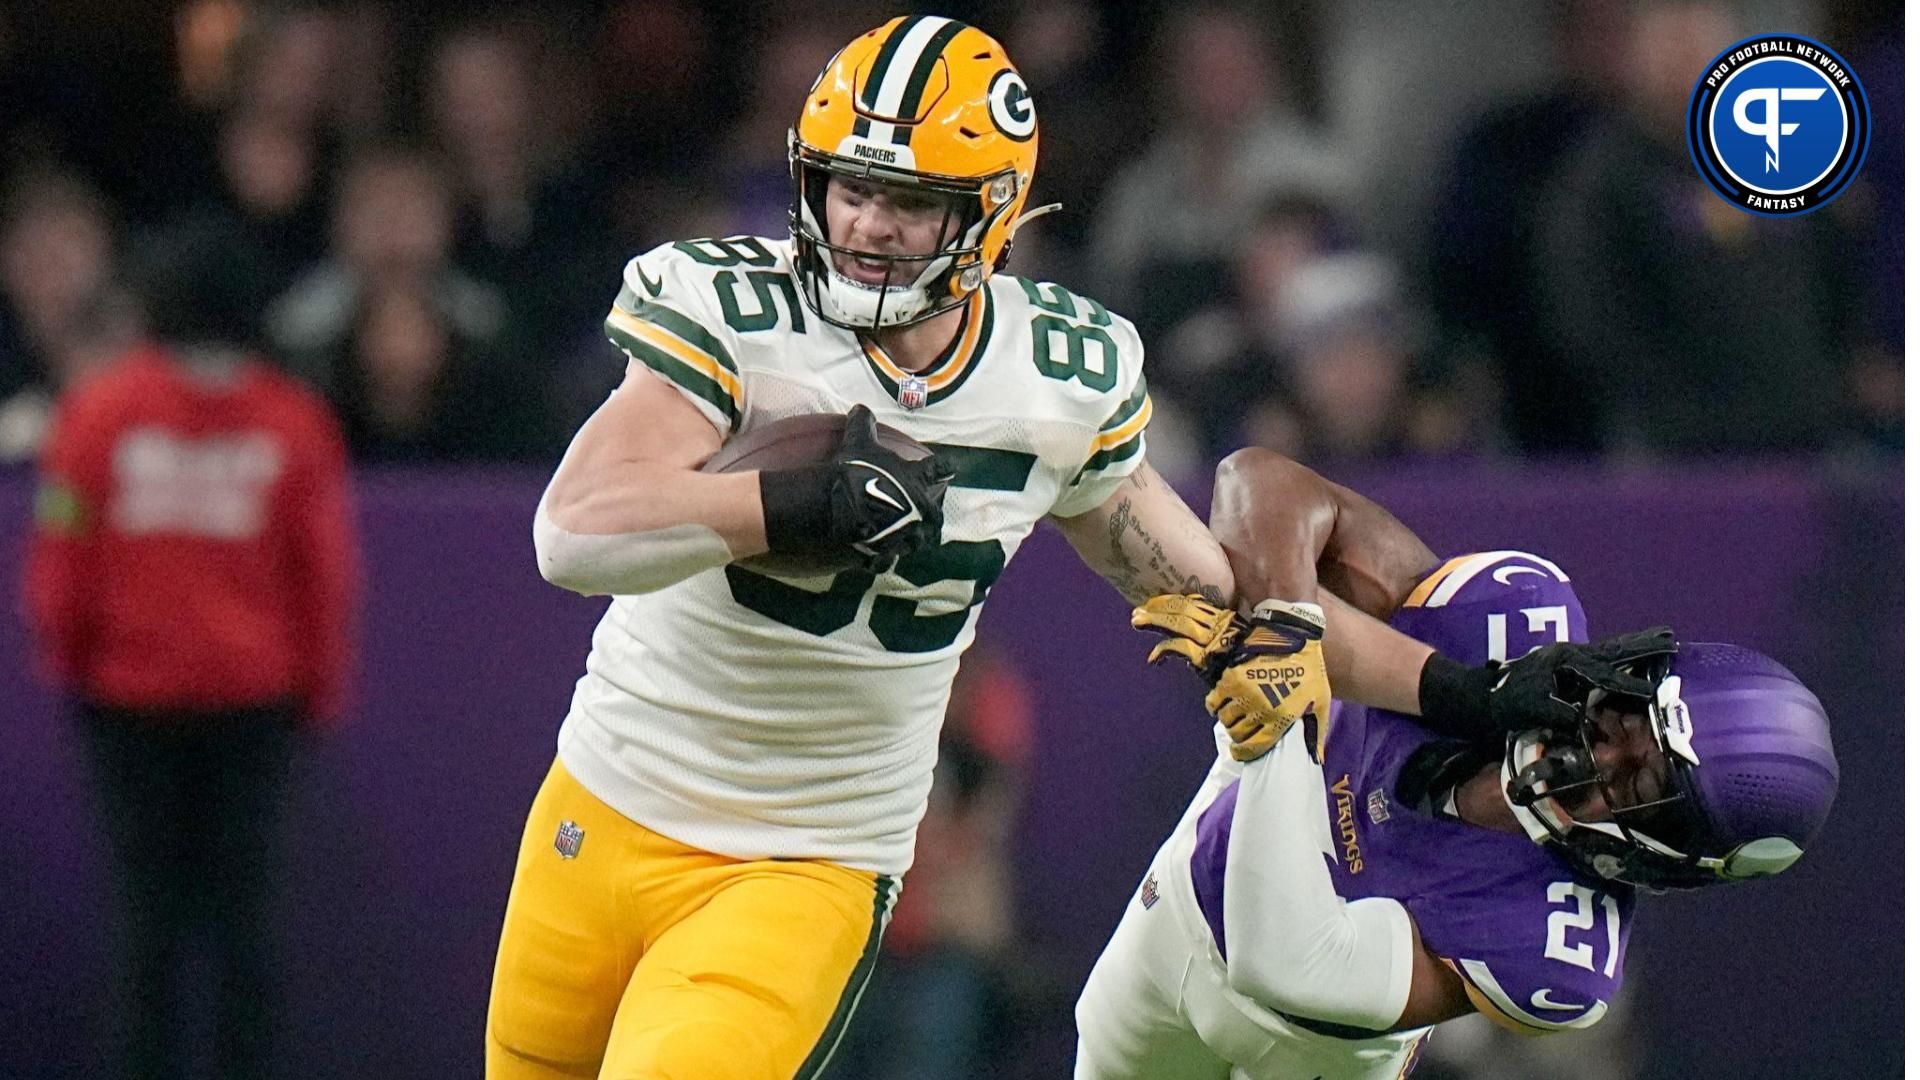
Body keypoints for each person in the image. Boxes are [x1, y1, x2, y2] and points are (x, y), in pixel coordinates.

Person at [487, 18, 1634, 1079]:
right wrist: (792, 505)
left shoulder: (1050, 383)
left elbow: (1230, 598)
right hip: (602, 799)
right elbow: (577, 530)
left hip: (805, 856)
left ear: (990, 212)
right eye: (849, 187)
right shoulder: (734, 306)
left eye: (912, 200)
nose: (868, 225)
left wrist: (1460, 691)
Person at [1075, 449, 1840, 1079]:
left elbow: (1286, 962)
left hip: (1294, 1052)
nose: (1593, 752)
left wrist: (1277, 729)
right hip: (1180, 902)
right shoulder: (1509, 622)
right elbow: (1257, 483)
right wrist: (1303, 643)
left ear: (1674, 856)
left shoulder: (1560, 947)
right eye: (1620, 719)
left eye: (1636, 782)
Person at [23, 232, 358, 1080]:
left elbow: (62, 549)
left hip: (128, 708)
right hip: (255, 709)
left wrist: (66, 662)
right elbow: (325, 575)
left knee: (147, 925)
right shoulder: (294, 423)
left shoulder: (96, 415)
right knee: (246, 923)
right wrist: (317, 692)